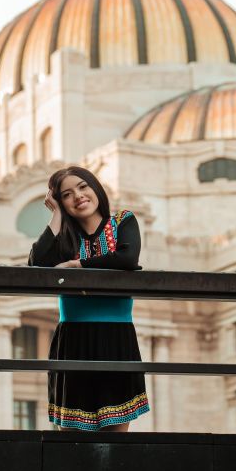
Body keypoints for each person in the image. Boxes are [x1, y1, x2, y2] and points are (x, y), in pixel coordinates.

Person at [28, 165, 150, 431]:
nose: (79, 197)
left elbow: (127, 259)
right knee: (71, 437)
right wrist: (56, 216)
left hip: (116, 338)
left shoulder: (122, 221)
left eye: (83, 187)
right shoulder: (64, 239)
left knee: (116, 437)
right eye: (67, 195)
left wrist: (77, 266)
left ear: (95, 188)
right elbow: (37, 264)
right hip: (73, 338)